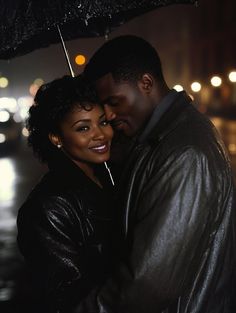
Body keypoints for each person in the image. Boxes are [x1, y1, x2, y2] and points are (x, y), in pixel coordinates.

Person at [76, 35, 236, 313]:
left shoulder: (184, 152)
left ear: (146, 84)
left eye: (115, 102)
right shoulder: (159, 139)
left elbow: (149, 284)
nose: (110, 115)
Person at [16, 75, 116, 313]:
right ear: (56, 138)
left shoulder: (111, 176)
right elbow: (67, 299)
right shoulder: (48, 208)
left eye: (102, 122)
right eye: (83, 128)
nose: (100, 135)